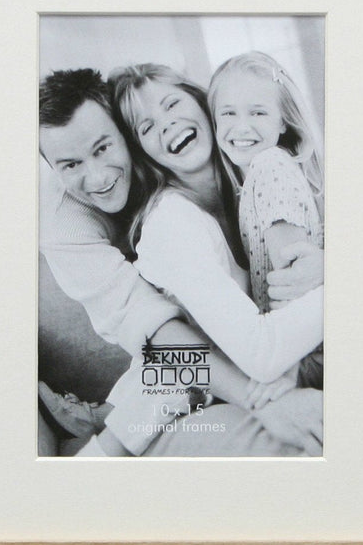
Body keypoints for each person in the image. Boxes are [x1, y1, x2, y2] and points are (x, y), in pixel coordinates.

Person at [39, 69, 321, 456]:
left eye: (103, 148)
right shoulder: (68, 226)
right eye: (71, 165)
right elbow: (156, 334)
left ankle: (103, 424)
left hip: (230, 346)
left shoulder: (246, 165)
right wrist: (265, 402)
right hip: (181, 364)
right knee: (163, 377)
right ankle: (98, 447)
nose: (98, 176)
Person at [110, 63, 323, 411]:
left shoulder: (253, 179)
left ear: (202, 103)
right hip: (183, 405)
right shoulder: (170, 223)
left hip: (265, 382)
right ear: (142, 152)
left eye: (172, 104)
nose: (166, 125)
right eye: (146, 127)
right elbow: (263, 356)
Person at [208, 51, 325, 387]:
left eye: (258, 112)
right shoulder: (260, 174)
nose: (241, 126)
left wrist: (288, 372)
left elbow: (295, 283)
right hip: (295, 346)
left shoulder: (269, 166)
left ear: (283, 121)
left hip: (302, 352)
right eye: (228, 112)